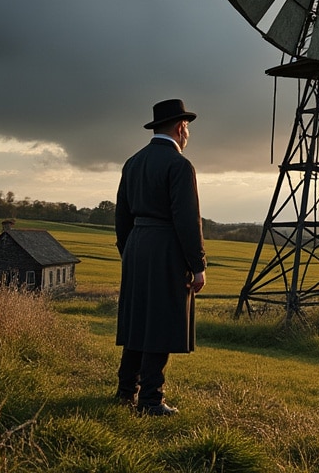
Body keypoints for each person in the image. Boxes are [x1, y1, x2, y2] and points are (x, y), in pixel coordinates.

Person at [114, 98, 207, 416]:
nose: (188, 133)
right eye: (187, 128)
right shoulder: (179, 165)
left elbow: (121, 216)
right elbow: (187, 220)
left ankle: (125, 391)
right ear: (181, 128)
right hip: (165, 247)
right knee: (161, 322)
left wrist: (128, 252)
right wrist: (197, 265)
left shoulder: (133, 162)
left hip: (136, 246)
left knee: (138, 320)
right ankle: (151, 400)